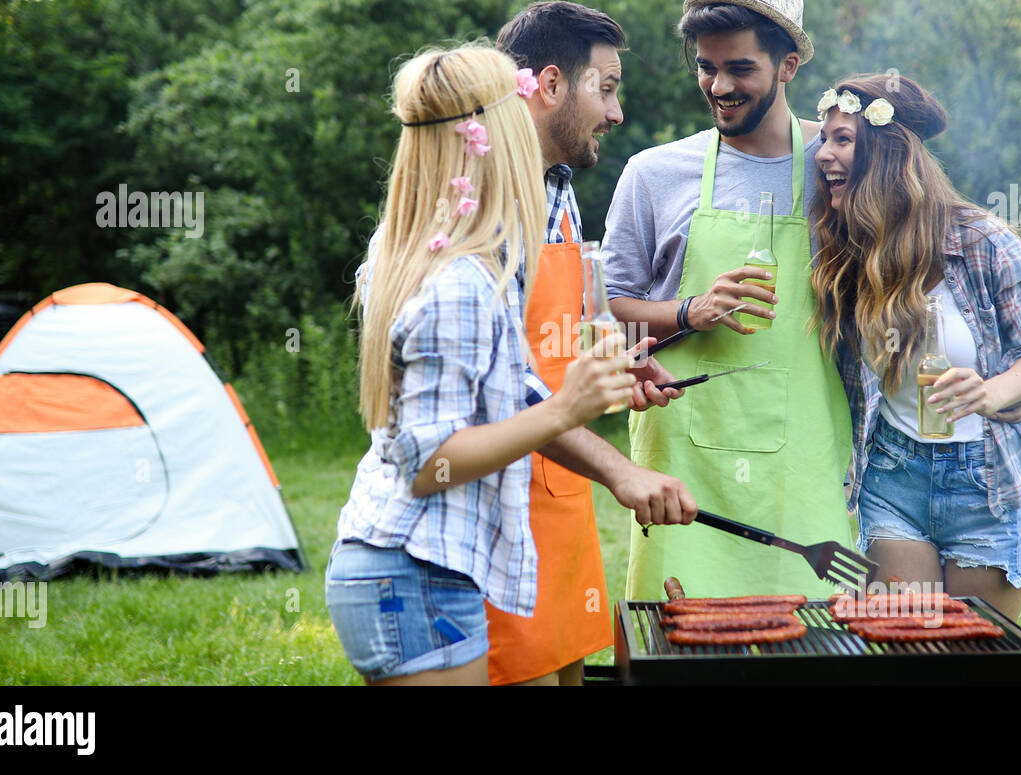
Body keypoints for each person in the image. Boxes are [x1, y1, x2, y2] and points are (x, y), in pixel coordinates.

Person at [325, 43, 664, 686]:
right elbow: (431, 464)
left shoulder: (433, 252)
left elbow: (498, 396)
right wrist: (569, 406)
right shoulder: (461, 278)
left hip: (407, 571)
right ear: (493, 137)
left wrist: (608, 438)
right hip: (417, 576)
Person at [601, 0, 855, 599]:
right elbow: (602, 310)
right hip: (683, 472)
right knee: (681, 645)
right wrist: (688, 312)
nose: (719, 87)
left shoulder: (840, 165)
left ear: (788, 65)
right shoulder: (654, 174)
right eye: (705, 67)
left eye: (740, 68)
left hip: (805, 461)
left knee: (808, 644)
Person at [485, 2, 696, 687]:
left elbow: (569, 323)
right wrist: (620, 470)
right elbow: (493, 379)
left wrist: (622, 357)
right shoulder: (478, 202)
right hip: (493, 506)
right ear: (549, 85)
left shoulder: (561, 191)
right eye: (605, 88)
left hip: (560, 492)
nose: (617, 113)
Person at [810, 73, 1021, 621]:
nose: (822, 154)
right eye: (822, 138)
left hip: (985, 483)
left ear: (887, 154)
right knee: (912, 652)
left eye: (842, 139)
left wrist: (990, 391)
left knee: (973, 661)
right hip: (893, 475)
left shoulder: (984, 242)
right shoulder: (846, 250)